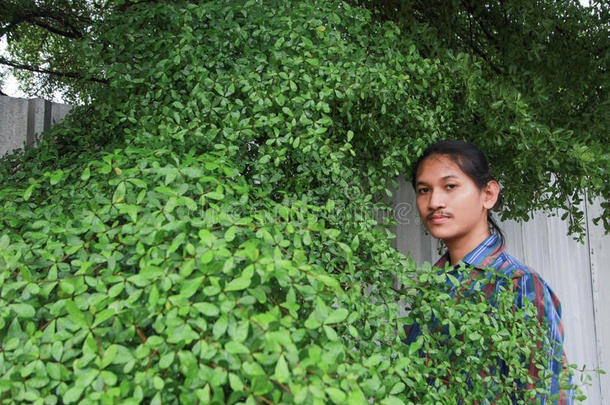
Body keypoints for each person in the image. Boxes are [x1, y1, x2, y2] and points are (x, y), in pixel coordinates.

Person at [406, 139, 573, 404]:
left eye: (450, 186)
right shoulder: (432, 285)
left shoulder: (519, 285)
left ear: (488, 194)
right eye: (424, 189)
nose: (434, 201)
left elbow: (546, 396)